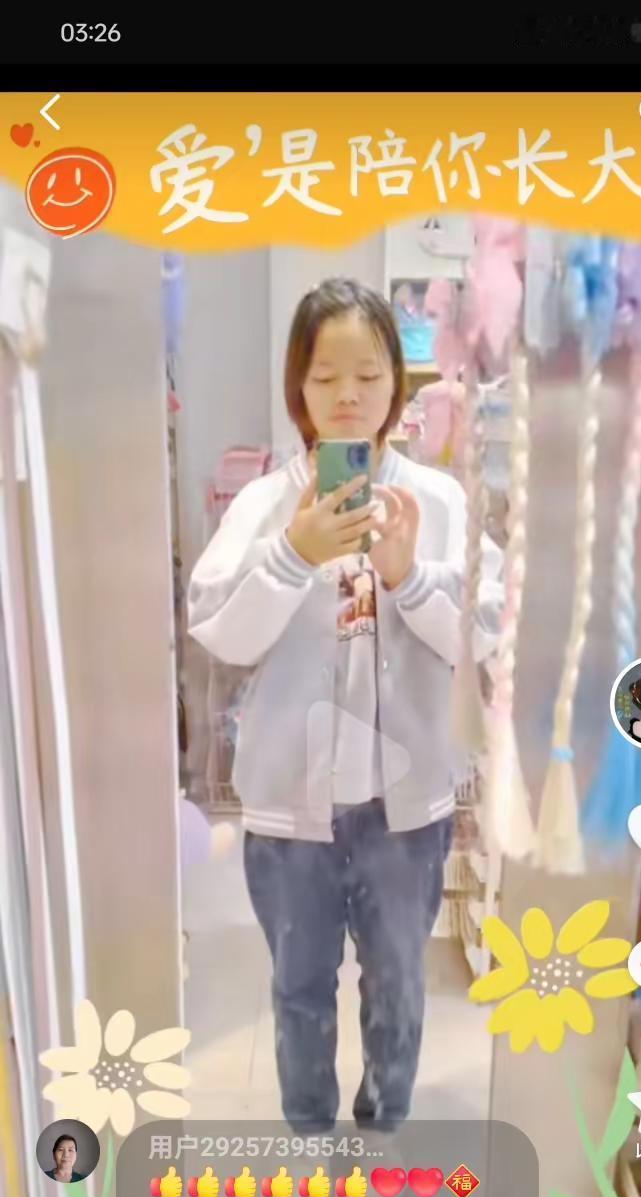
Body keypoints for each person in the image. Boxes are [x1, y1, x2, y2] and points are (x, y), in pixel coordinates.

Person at [188, 277, 502, 1135]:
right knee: (298, 987)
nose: (349, 395)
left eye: (368, 375)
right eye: (326, 376)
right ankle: (308, 1128)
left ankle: (383, 1124)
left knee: (398, 984)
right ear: (299, 386)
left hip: (406, 809)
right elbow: (219, 630)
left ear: (397, 382)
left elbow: (486, 628)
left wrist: (410, 577)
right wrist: (292, 553)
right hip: (289, 809)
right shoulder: (265, 504)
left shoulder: (438, 502)